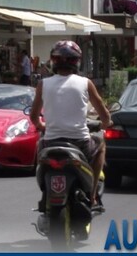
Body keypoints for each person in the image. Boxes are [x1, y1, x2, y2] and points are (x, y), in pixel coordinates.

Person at [29, 40, 113, 208]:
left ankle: (45, 192)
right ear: (77, 61)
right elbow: (104, 115)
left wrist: (43, 126)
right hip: (80, 143)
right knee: (101, 145)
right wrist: (105, 124)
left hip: (51, 142)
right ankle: (93, 193)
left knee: (39, 146)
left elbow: (34, 117)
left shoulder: (42, 84)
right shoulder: (85, 83)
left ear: (54, 61)